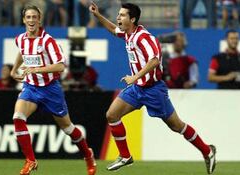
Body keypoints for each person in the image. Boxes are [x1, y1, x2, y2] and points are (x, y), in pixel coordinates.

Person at [89, 2, 216, 174]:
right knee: (112, 115)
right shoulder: (128, 34)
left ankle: (207, 151)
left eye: (122, 15)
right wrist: (97, 15)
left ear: (132, 19)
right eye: (118, 14)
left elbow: (154, 60)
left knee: (177, 126)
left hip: (153, 90)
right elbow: (113, 30)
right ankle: (125, 156)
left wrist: (135, 77)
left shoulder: (143, 37)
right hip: (137, 89)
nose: (118, 17)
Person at [10, 5, 96, 175]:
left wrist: (36, 70)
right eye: (28, 17)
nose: (32, 20)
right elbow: (22, 53)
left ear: (39, 19)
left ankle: (87, 155)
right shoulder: (20, 39)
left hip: (50, 90)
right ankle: (30, 160)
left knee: (68, 128)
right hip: (31, 87)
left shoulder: (47, 41)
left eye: (35, 17)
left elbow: (60, 66)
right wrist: (14, 69)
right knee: (18, 117)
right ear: (24, 20)